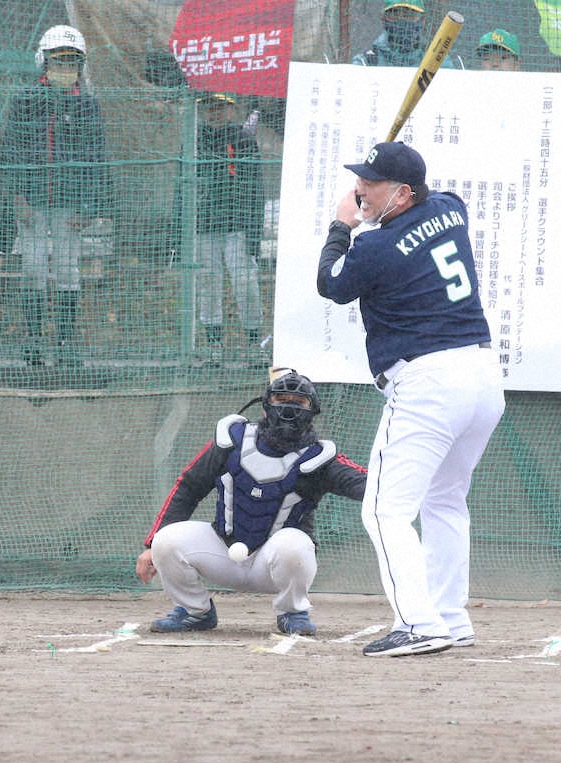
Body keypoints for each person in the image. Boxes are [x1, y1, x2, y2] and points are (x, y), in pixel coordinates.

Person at [317, 141, 505, 657]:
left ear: (403, 193)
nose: (360, 189)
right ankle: (449, 616)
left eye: (371, 183)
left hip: (430, 382)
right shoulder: (450, 210)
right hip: (483, 377)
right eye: (360, 181)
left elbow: (330, 284)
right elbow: (431, 197)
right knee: (445, 500)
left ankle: (419, 623)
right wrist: (379, 198)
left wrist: (342, 227)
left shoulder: (374, 248)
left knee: (383, 511)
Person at [135, 370, 367, 635]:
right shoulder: (233, 439)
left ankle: (292, 612)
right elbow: (189, 486)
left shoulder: (318, 457)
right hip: (223, 552)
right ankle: (194, 611)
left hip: (273, 563)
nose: (289, 408)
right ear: (267, 406)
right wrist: (151, 545)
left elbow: (368, 484)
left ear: (312, 410)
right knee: (166, 540)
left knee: (296, 544)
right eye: (281, 399)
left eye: (298, 402)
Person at [3, 24, 113, 367]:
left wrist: (88, 206)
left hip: (69, 204)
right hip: (33, 202)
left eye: (71, 63)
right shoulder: (26, 99)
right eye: (58, 62)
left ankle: (66, 340)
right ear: (43, 62)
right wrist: (17, 196)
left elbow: (96, 156)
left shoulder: (87, 105)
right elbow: (12, 150)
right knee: (34, 269)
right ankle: (33, 339)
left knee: (67, 271)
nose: (65, 70)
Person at [194, 93, 266, 367]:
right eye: (209, 107)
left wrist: (253, 233)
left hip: (238, 225)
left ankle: (253, 343)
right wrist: (179, 229)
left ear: (231, 109)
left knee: (245, 282)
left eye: (220, 107)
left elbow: (255, 188)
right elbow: (182, 186)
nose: (214, 112)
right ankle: (213, 344)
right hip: (203, 225)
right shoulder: (195, 139)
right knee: (208, 282)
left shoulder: (244, 139)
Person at [352, 1, 459, 68]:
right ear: (384, 20)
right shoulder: (366, 63)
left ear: (423, 21)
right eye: (396, 15)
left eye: (410, 15)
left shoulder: (438, 61)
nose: (402, 21)